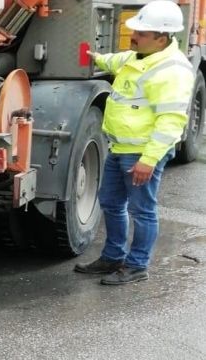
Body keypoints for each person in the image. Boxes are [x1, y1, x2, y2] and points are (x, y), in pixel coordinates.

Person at [74, 0, 195, 285]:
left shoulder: (173, 71)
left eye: (141, 32)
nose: (134, 35)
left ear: (162, 38)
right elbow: (114, 61)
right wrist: (94, 56)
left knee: (142, 210)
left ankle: (137, 265)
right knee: (111, 202)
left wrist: (149, 159)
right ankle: (113, 257)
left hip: (142, 151)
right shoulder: (138, 56)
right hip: (120, 147)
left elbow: (171, 121)